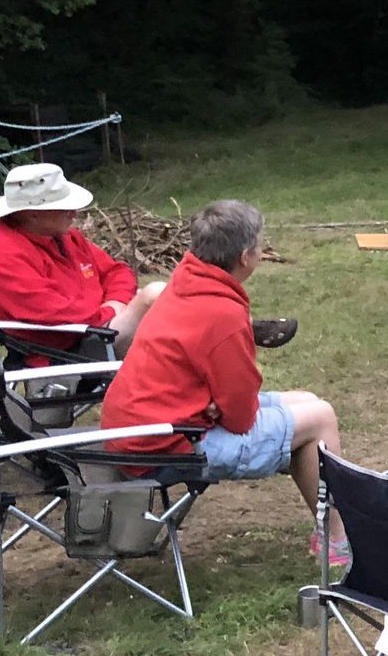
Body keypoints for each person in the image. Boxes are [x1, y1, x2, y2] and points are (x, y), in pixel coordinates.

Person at [103, 201, 349, 565]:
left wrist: (213, 402)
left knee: (306, 400)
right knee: (321, 418)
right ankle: (338, 544)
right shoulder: (223, 313)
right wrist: (218, 405)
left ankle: (331, 526)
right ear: (246, 256)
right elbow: (240, 418)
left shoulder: (184, 284)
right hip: (164, 448)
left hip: (141, 429)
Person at [0, 162, 164, 357]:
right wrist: (110, 312)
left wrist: (115, 301)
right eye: (64, 208)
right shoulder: (4, 254)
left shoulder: (64, 236)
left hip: (99, 326)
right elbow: (52, 314)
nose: (74, 214)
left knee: (171, 298)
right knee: (154, 295)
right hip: (73, 345)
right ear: (33, 214)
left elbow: (116, 272)